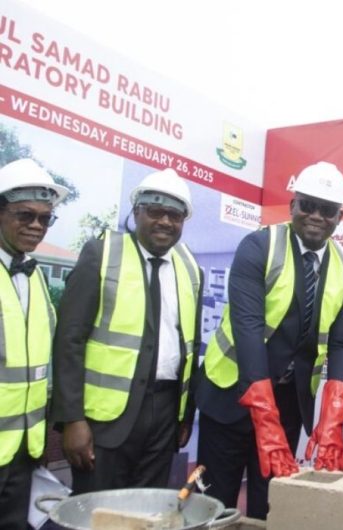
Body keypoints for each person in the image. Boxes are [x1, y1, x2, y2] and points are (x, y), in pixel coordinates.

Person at [196, 161, 343, 519]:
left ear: (340, 217)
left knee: (269, 505)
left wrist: (333, 417)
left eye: (328, 209)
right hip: (231, 395)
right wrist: (263, 416)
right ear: (292, 206)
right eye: (308, 205)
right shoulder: (258, 246)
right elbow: (249, 325)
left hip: (287, 403)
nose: (316, 216)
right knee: (215, 505)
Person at [51, 168, 202, 494]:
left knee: (147, 511)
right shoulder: (102, 254)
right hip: (105, 420)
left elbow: (191, 345)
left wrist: (184, 417)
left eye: (174, 215)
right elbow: (69, 339)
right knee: (96, 512)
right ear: (136, 213)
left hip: (164, 416)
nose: (164, 221)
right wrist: (72, 420)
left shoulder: (190, 267)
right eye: (155, 211)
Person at [0, 159, 68, 530]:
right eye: (25, 215)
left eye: (45, 218)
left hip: (23, 451)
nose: (36, 226)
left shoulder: (35, 276)